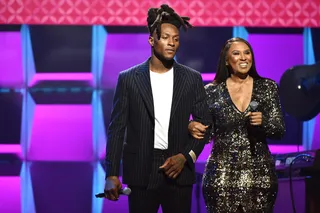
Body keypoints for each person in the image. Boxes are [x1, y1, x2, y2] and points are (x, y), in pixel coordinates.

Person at [103, 4, 210, 213]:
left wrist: (185, 157)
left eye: (176, 39)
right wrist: (111, 173)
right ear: (152, 40)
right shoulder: (128, 79)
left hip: (179, 171)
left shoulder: (191, 79)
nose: (171, 43)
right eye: (165, 37)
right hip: (141, 170)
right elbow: (117, 129)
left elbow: (205, 125)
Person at [188, 37, 286, 213]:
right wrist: (190, 126)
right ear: (227, 60)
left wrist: (265, 122)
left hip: (259, 174)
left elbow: (279, 130)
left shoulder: (267, 87)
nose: (243, 57)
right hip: (221, 174)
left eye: (247, 53)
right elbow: (206, 131)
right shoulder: (211, 91)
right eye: (236, 53)